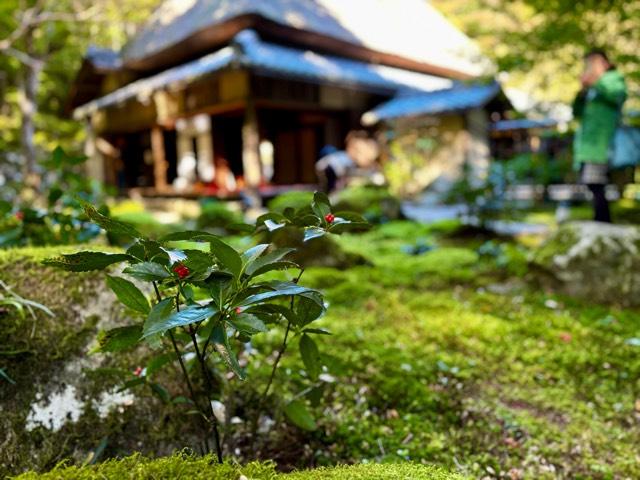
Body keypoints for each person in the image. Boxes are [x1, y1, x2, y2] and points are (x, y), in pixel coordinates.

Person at [572, 48, 627, 223]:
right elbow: (577, 112)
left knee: (595, 181)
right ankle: (601, 219)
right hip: (587, 142)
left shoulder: (613, 79)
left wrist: (596, 83)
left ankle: (602, 220)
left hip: (603, 140)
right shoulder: (591, 87)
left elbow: (617, 96)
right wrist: (581, 93)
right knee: (591, 182)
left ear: (605, 62)